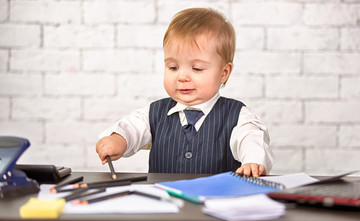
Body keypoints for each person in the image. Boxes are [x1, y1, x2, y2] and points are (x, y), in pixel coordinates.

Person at [96, 8, 275, 177]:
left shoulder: (237, 115)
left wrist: (253, 161)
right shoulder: (155, 112)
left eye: (196, 68)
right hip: (165, 203)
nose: (182, 76)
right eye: (173, 67)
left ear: (224, 73)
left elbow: (251, 137)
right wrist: (118, 139)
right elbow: (132, 127)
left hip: (217, 202)